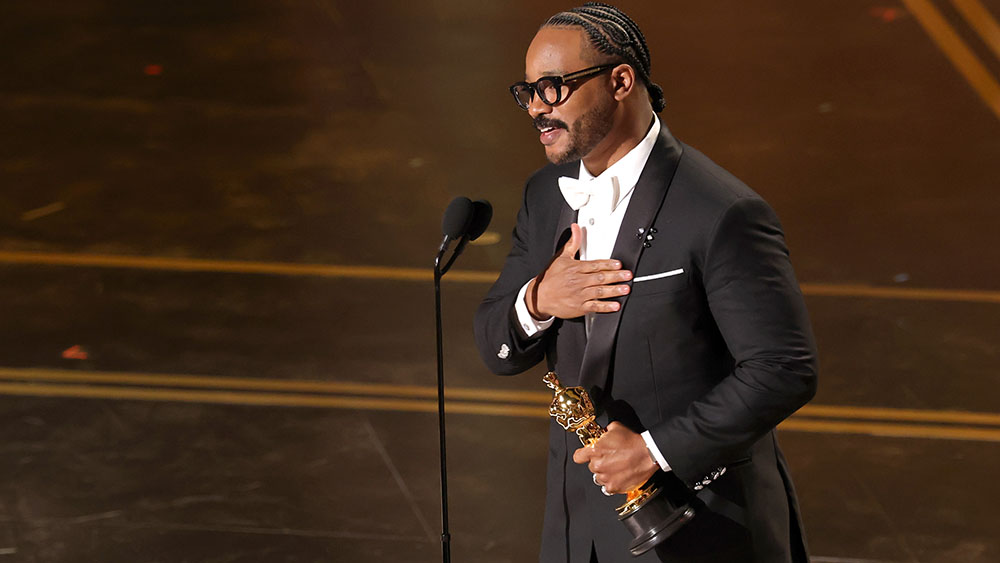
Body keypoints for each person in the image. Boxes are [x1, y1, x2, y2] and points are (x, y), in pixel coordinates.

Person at [473, 3, 818, 562]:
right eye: (528, 90)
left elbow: (784, 369)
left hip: (699, 531)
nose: (537, 108)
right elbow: (496, 345)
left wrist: (655, 451)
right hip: (575, 530)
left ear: (621, 81)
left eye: (555, 87)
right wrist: (537, 300)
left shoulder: (720, 212)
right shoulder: (545, 195)